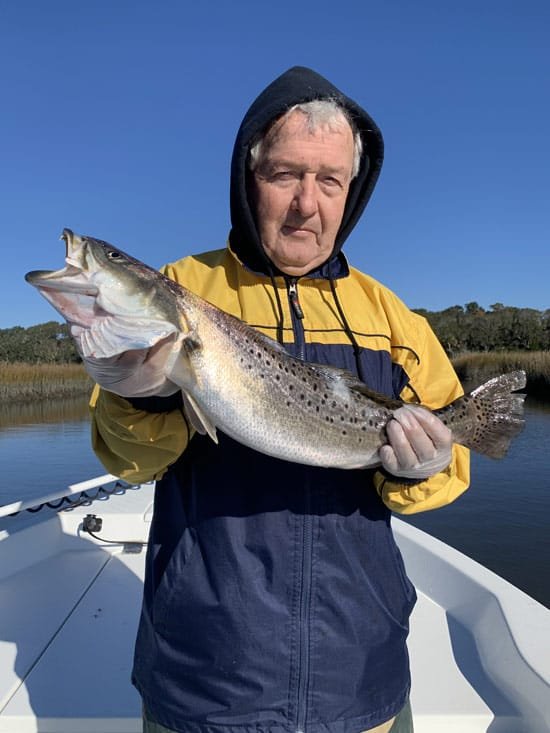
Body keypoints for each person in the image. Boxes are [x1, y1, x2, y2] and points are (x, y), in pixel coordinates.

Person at [90, 66, 470, 733]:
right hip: (205, 676)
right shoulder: (184, 289)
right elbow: (127, 462)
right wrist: (140, 398)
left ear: (352, 191)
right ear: (248, 177)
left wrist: (425, 468)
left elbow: (455, 465)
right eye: (285, 175)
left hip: (362, 676)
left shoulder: (392, 318)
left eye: (329, 180)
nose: (307, 203)